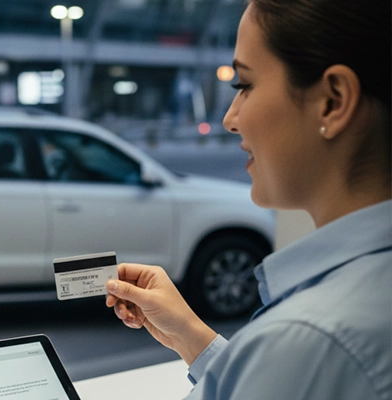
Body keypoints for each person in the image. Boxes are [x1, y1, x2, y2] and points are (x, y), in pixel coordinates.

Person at [105, 0, 390, 399]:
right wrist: (192, 339)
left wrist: (272, 353)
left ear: (333, 100)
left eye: (244, 86)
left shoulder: (308, 341)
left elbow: (300, 361)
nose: (230, 118)